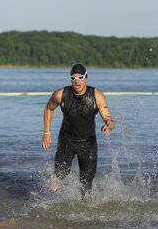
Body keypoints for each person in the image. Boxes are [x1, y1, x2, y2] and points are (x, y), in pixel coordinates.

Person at [42, 64, 114, 200]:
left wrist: (108, 126)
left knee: (86, 186)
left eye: (80, 77)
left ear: (85, 78)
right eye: (73, 78)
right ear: (70, 79)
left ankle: (84, 214)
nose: (77, 81)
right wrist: (46, 132)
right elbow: (48, 108)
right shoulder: (60, 94)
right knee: (61, 172)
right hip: (67, 139)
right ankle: (57, 179)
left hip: (88, 143)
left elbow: (109, 119)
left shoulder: (97, 96)